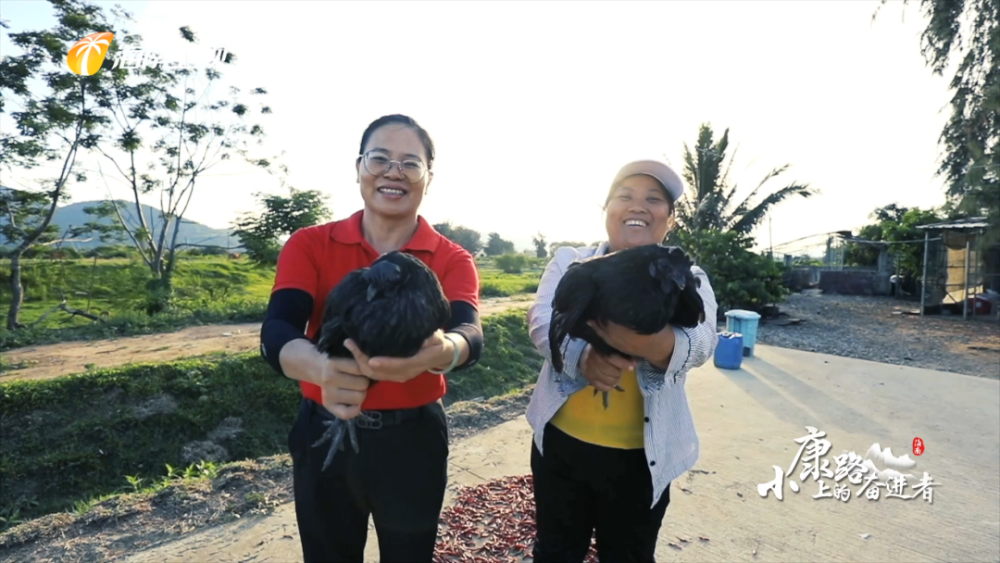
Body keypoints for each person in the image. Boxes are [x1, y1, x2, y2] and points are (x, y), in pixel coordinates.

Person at [259, 114, 483, 563]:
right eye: (379, 158)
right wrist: (322, 369)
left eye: (410, 163)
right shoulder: (310, 243)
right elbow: (277, 331)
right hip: (323, 428)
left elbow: (469, 334)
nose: (393, 171)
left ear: (428, 178)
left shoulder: (450, 257)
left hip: (413, 438)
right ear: (359, 167)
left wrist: (440, 354)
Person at [525, 158, 719, 562]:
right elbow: (542, 321)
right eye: (625, 196)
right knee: (555, 553)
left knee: (628, 556)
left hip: (642, 460)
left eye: (653, 199)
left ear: (669, 217)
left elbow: (703, 340)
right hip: (561, 449)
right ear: (607, 210)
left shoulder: (688, 274)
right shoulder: (571, 263)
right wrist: (583, 358)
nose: (638, 206)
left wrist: (649, 343)